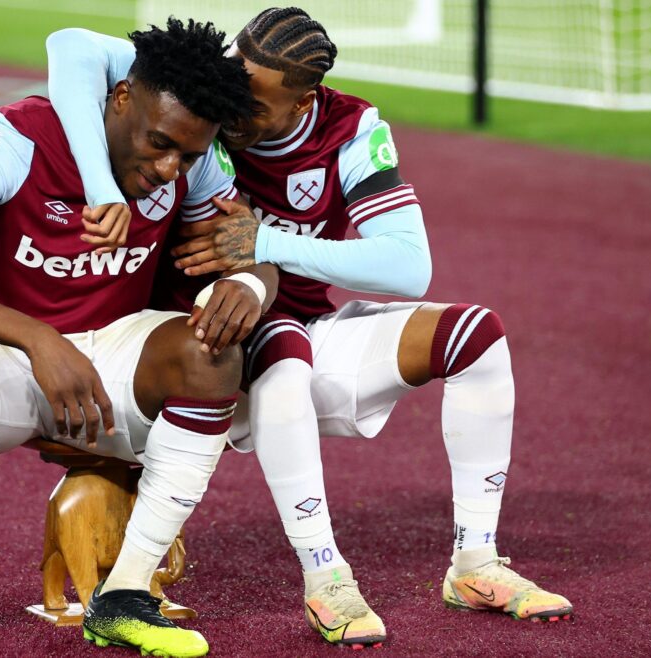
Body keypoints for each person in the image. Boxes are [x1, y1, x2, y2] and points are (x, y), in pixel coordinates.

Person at [46, 6, 573, 647]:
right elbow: (69, 44)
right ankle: (326, 577)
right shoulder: (206, 95)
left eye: (253, 105)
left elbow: (410, 266)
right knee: (283, 346)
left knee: (475, 335)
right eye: (233, 84)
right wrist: (102, 188)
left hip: (302, 330)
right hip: (197, 350)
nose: (230, 112)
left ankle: (476, 562)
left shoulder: (350, 131)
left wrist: (265, 243)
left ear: (303, 103)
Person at [0, 19, 276, 658]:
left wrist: (249, 285)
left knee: (210, 355)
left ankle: (125, 597)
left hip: (111, 363)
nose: (169, 168)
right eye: (160, 143)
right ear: (120, 98)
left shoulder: (190, 166)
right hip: (3, 362)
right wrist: (40, 341)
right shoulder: (12, 137)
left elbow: (255, 254)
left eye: (188, 156)